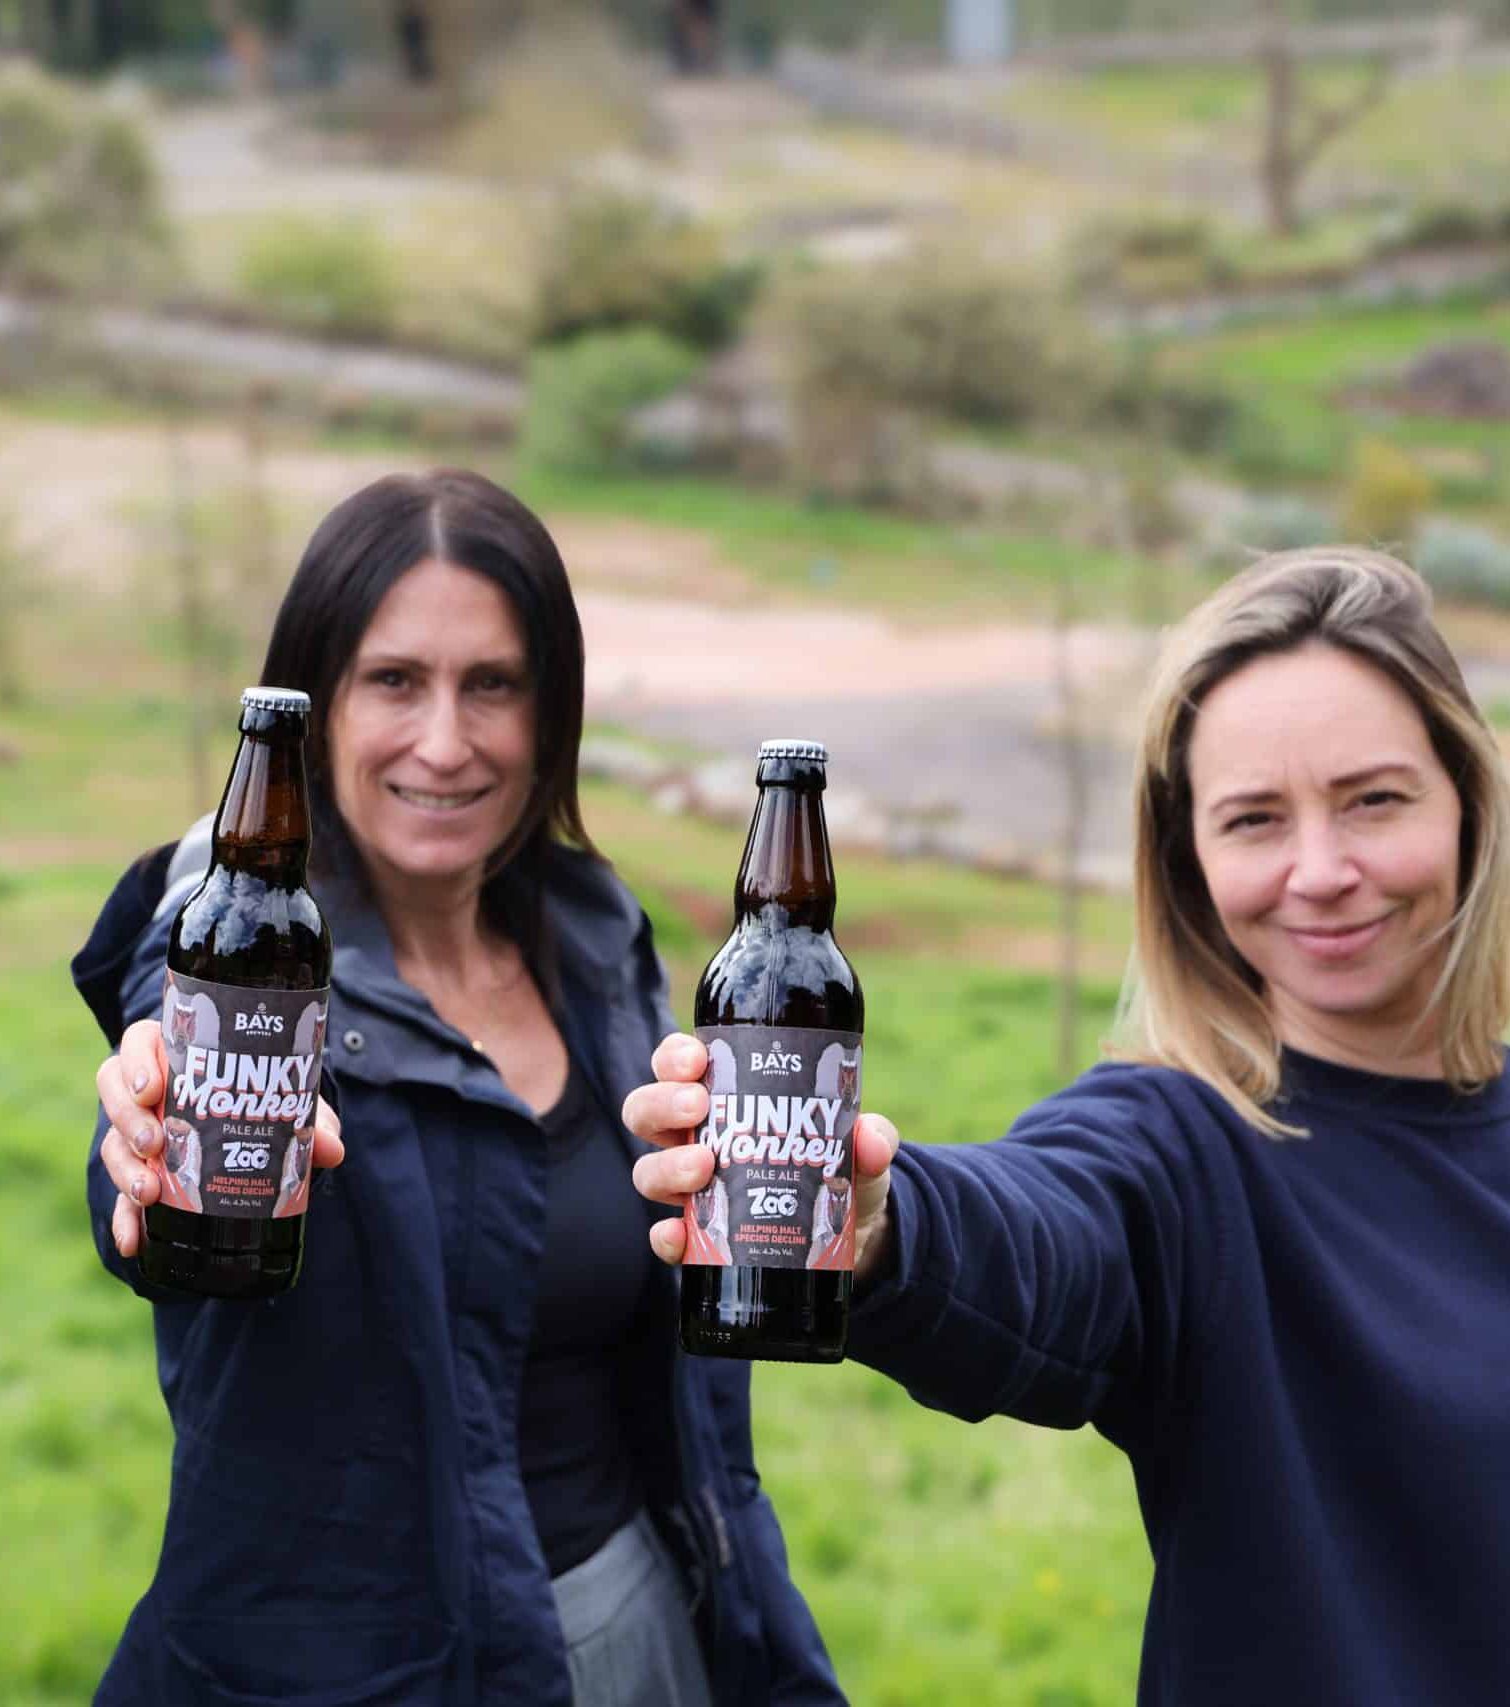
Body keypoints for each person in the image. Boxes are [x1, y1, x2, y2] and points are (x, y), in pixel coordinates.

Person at [627, 547, 1510, 1705]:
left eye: (1374, 799)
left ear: (1468, 800)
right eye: (1253, 819)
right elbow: (1048, 1234)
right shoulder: (1181, 1147)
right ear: (1188, 863)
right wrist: (883, 1220)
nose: (1320, 869)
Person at [78, 470, 844, 1706]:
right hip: (349, 1673)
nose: (445, 742)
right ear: (313, 706)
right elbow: (156, 1106)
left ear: (552, 714)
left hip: (635, 1624)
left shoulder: (599, 945)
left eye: (492, 685)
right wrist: (139, 1153)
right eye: (394, 681)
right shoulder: (236, 961)